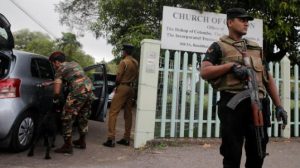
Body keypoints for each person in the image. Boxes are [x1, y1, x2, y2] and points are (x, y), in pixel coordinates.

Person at [200, 8, 288, 168]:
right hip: (233, 105)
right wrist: (230, 66)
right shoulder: (219, 46)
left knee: (258, 152)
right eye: (242, 19)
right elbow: (205, 71)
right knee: (232, 153)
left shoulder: (256, 49)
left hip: (259, 105)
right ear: (230, 22)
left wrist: (279, 106)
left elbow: (268, 79)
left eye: (247, 20)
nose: (246, 23)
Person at [47, 51, 95, 154]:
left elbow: (56, 92)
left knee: (66, 116)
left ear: (56, 62)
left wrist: (55, 98)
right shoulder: (74, 64)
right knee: (83, 116)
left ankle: (67, 146)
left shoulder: (59, 69)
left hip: (78, 91)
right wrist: (53, 82)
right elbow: (73, 77)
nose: (53, 66)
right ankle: (82, 141)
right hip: (89, 89)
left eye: (52, 64)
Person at [103, 44, 139, 147]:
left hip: (122, 87)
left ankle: (110, 139)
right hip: (131, 88)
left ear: (125, 52)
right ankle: (126, 139)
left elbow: (118, 77)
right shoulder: (136, 62)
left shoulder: (124, 62)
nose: (122, 53)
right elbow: (136, 76)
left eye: (123, 51)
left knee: (113, 112)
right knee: (128, 114)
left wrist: (116, 85)